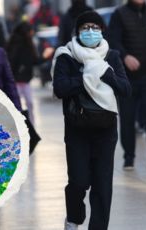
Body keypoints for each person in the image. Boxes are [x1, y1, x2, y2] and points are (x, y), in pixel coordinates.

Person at [52, 11, 131, 230]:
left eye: (95, 27)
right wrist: (88, 77)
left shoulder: (112, 57)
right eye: (85, 27)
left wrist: (106, 75)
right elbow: (60, 88)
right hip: (77, 128)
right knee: (78, 182)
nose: (90, 32)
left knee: (102, 185)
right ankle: (74, 219)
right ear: (77, 31)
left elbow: (125, 89)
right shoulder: (66, 56)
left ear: (102, 31)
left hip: (105, 129)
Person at [108, 0, 146, 171]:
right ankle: (129, 157)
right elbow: (113, 42)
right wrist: (125, 56)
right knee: (127, 117)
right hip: (126, 77)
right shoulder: (119, 14)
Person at [6, 22, 54, 124]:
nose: (32, 33)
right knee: (27, 105)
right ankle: (29, 129)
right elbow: (33, 61)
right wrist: (44, 57)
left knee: (23, 105)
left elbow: (32, 61)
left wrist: (44, 57)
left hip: (21, 80)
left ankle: (27, 128)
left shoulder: (15, 44)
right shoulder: (22, 45)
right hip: (19, 81)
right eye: (30, 31)